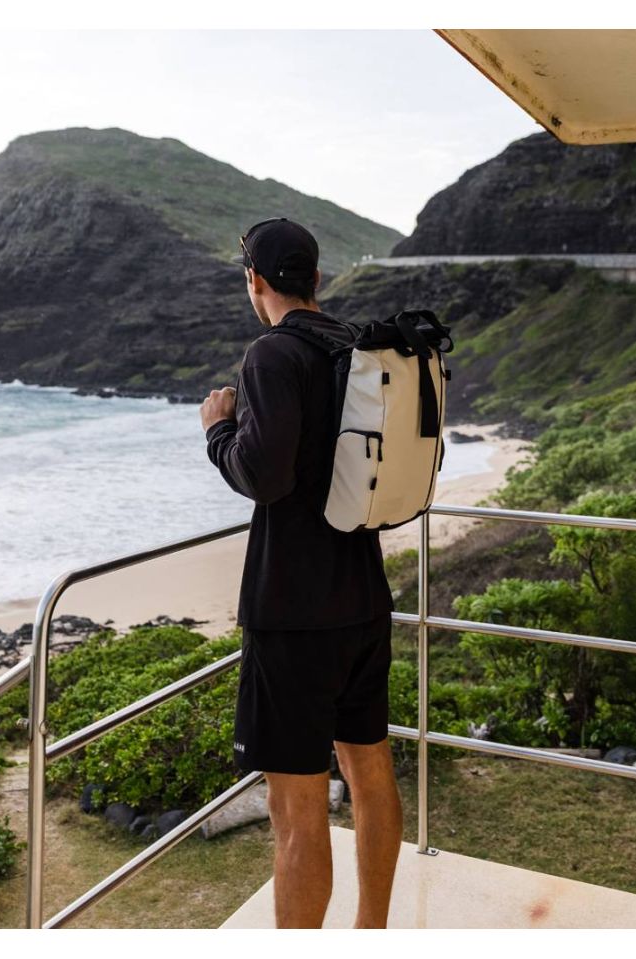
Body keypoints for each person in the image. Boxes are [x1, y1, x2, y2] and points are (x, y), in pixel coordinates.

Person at [199, 217, 401, 929]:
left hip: (292, 613)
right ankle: (371, 932)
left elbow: (263, 474)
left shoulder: (271, 354)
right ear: (316, 278)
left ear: (255, 279)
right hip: (363, 597)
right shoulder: (357, 346)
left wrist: (218, 429)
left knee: (297, 810)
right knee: (370, 773)